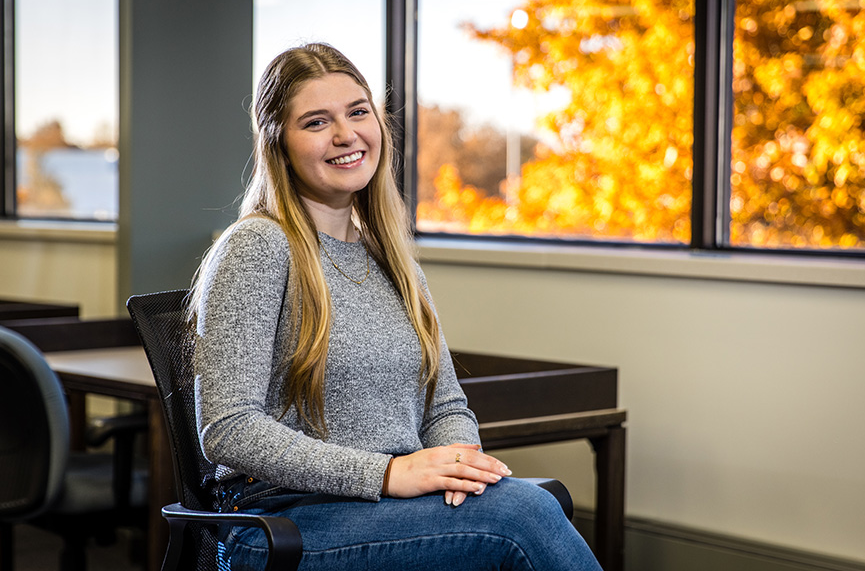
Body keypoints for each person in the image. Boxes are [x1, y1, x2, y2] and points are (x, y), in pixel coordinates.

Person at [189, 42, 602, 570]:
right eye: (316, 122)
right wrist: (387, 474)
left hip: (389, 508)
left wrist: (459, 467)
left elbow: (446, 404)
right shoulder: (258, 247)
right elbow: (229, 428)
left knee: (522, 506)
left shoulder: (390, 258)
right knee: (523, 519)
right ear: (278, 144)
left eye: (358, 112)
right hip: (282, 522)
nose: (346, 135)